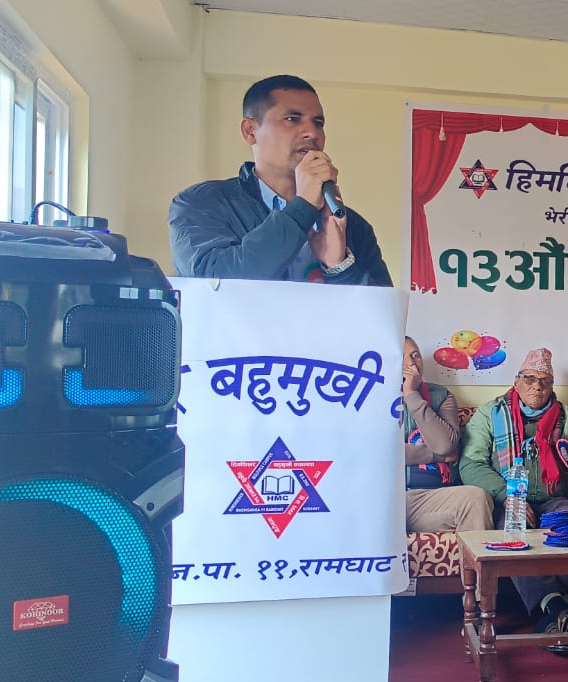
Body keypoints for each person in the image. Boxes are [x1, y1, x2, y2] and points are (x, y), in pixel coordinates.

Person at [459, 348, 568, 654]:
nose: (537, 386)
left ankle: (555, 615)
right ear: (516, 381)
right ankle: (557, 610)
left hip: (554, 500)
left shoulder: (567, 418)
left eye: (544, 381)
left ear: (552, 386)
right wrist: (507, 496)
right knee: (512, 532)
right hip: (508, 501)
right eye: (529, 379)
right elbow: (471, 464)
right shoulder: (491, 413)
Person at [169, 74, 391, 285]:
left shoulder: (350, 224)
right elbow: (217, 285)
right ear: (250, 131)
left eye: (318, 123)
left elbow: (384, 309)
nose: (312, 133)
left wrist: (339, 267)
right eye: (292, 119)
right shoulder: (202, 204)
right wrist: (302, 208)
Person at [400, 337, 494, 537]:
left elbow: (445, 445)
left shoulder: (441, 396)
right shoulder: (370, 398)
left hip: (432, 499)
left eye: (415, 355)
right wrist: (436, 456)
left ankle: (475, 560)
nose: (412, 364)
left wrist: (411, 394)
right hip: (387, 499)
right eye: (402, 357)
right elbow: (377, 453)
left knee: (475, 498)